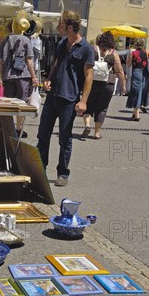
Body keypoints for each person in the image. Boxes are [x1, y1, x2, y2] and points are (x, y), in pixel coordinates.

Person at [37, 10, 94, 187]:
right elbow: (55, 63)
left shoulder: (86, 48)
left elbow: (89, 76)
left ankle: (62, 172)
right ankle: (40, 169)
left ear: (70, 27)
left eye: (60, 25)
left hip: (69, 99)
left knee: (65, 138)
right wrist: (47, 79)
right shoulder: (62, 43)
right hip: (52, 96)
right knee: (43, 135)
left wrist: (83, 100)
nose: (57, 28)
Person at [0, 11, 38, 138]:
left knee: (8, 104)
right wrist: (34, 77)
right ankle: (19, 129)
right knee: (22, 103)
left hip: (8, 76)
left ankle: (9, 129)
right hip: (23, 76)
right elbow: (29, 60)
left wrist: (2, 76)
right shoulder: (26, 40)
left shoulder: (4, 42)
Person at [82, 31, 126, 139]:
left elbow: (85, 64)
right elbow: (119, 70)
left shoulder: (92, 49)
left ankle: (87, 124)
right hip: (108, 83)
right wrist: (123, 85)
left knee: (88, 103)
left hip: (91, 81)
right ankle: (97, 133)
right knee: (102, 108)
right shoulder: (113, 52)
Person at [125, 38, 149, 121]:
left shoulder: (133, 53)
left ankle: (137, 114)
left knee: (136, 93)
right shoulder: (146, 53)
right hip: (145, 74)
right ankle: (135, 112)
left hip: (136, 73)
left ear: (136, 45)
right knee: (140, 92)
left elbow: (128, 65)